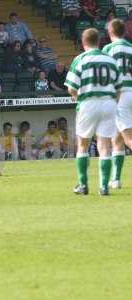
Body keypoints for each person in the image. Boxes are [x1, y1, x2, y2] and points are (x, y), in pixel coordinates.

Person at [65, 28, 121, 196]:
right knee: (105, 145)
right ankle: (104, 186)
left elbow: (71, 88)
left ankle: (83, 185)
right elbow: (119, 88)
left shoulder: (80, 59)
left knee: (83, 145)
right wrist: (113, 101)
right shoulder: (110, 60)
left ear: (83, 42)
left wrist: (77, 97)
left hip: (88, 104)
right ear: (99, 41)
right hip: (108, 103)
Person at [102, 19, 132, 189]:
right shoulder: (131, 47)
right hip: (131, 91)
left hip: (119, 95)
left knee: (128, 137)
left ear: (111, 31)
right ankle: (116, 179)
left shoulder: (107, 49)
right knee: (117, 137)